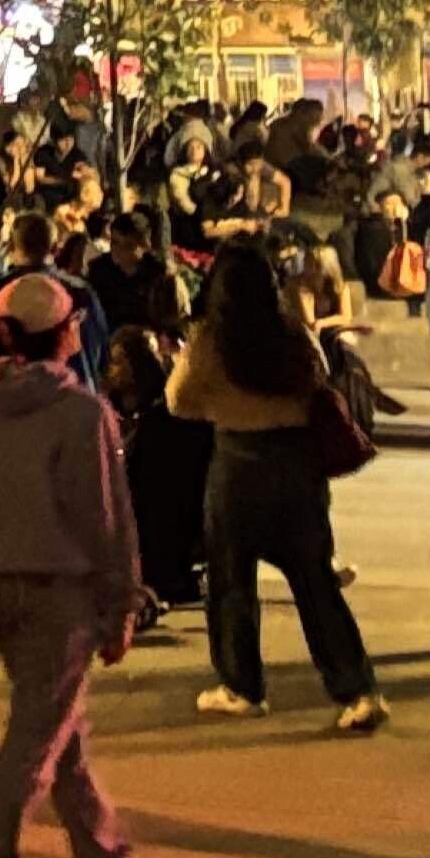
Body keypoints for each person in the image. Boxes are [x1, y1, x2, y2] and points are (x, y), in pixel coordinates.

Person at [0, 272, 153, 858]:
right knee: (37, 738)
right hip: (55, 585)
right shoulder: (80, 414)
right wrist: (123, 602)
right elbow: (105, 516)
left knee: (58, 726)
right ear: (65, 332)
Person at [170, 232, 385, 731]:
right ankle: (356, 689)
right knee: (315, 582)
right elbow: (319, 381)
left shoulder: (209, 339)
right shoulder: (292, 332)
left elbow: (179, 400)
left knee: (230, 581)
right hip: (295, 465)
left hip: (237, 462)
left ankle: (242, 686)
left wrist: (221, 405)